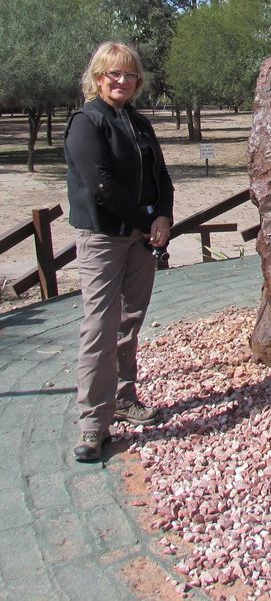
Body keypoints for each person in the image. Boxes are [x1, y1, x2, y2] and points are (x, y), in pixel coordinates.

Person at [64, 42, 174, 462]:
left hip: (141, 239)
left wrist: (163, 216)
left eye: (130, 75)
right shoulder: (86, 123)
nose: (122, 81)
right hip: (104, 238)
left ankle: (125, 398)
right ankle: (93, 423)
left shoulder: (139, 123)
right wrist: (148, 222)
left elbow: (162, 176)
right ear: (98, 77)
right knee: (99, 327)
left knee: (131, 320)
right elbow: (101, 185)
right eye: (114, 74)